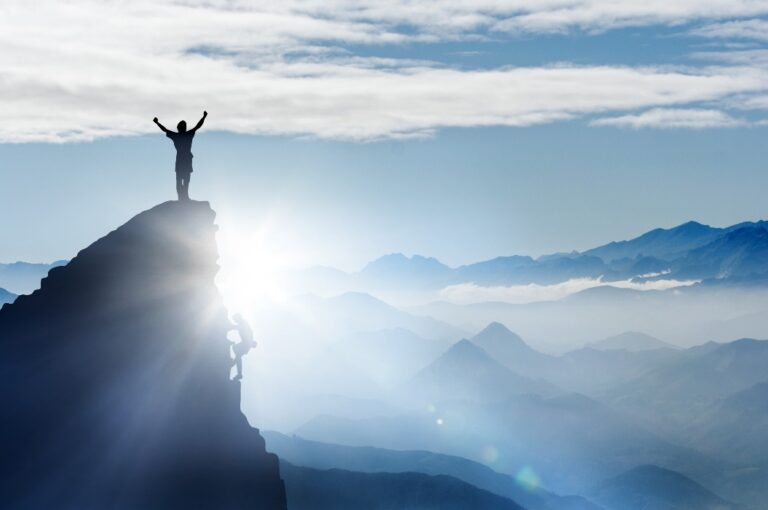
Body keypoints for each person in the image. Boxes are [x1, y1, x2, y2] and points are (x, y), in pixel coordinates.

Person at [153, 111, 207, 200]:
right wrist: (204, 117)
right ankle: (183, 197)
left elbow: (165, 129)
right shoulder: (185, 135)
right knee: (184, 180)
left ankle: (184, 197)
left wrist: (157, 123)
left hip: (183, 160)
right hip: (184, 160)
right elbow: (198, 126)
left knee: (183, 180)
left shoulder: (178, 136)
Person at [229, 313, 257, 381]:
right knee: (238, 355)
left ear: (238, 318)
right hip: (246, 344)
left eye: (235, 319)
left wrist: (250, 342)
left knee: (235, 349)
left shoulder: (243, 323)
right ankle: (234, 367)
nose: (235, 321)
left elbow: (249, 331)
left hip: (246, 343)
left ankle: (236, 369)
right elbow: (235, 327)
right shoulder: (242, 323)